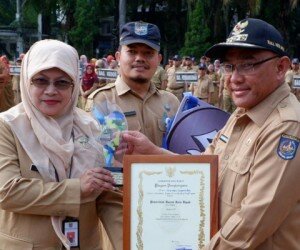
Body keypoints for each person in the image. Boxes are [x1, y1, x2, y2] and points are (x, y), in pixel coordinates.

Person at [122, 18, 300, 249]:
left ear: (281, 68)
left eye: (248, 65)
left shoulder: (287, 127)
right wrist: (152, 152)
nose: (234, 78)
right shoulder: (241, 114)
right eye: (229, 66)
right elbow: (202, 171)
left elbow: (252, 222)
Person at [0, 39, 122, 249]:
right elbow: (8, 191)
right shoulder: (8, 126)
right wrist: (77, 190)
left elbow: (106, 195)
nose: (51, 90)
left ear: (74, 85)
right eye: (40, 80)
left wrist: (132, 241)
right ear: (27, 80)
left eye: (62, 82)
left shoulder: (90, 126)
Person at [92, 21, 180, 147]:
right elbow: (92, 154)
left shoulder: (171, 103)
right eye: (132, 52)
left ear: (158, 59)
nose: (139, 58)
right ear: (118, 57)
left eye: (148, 53)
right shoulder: (101, 101)